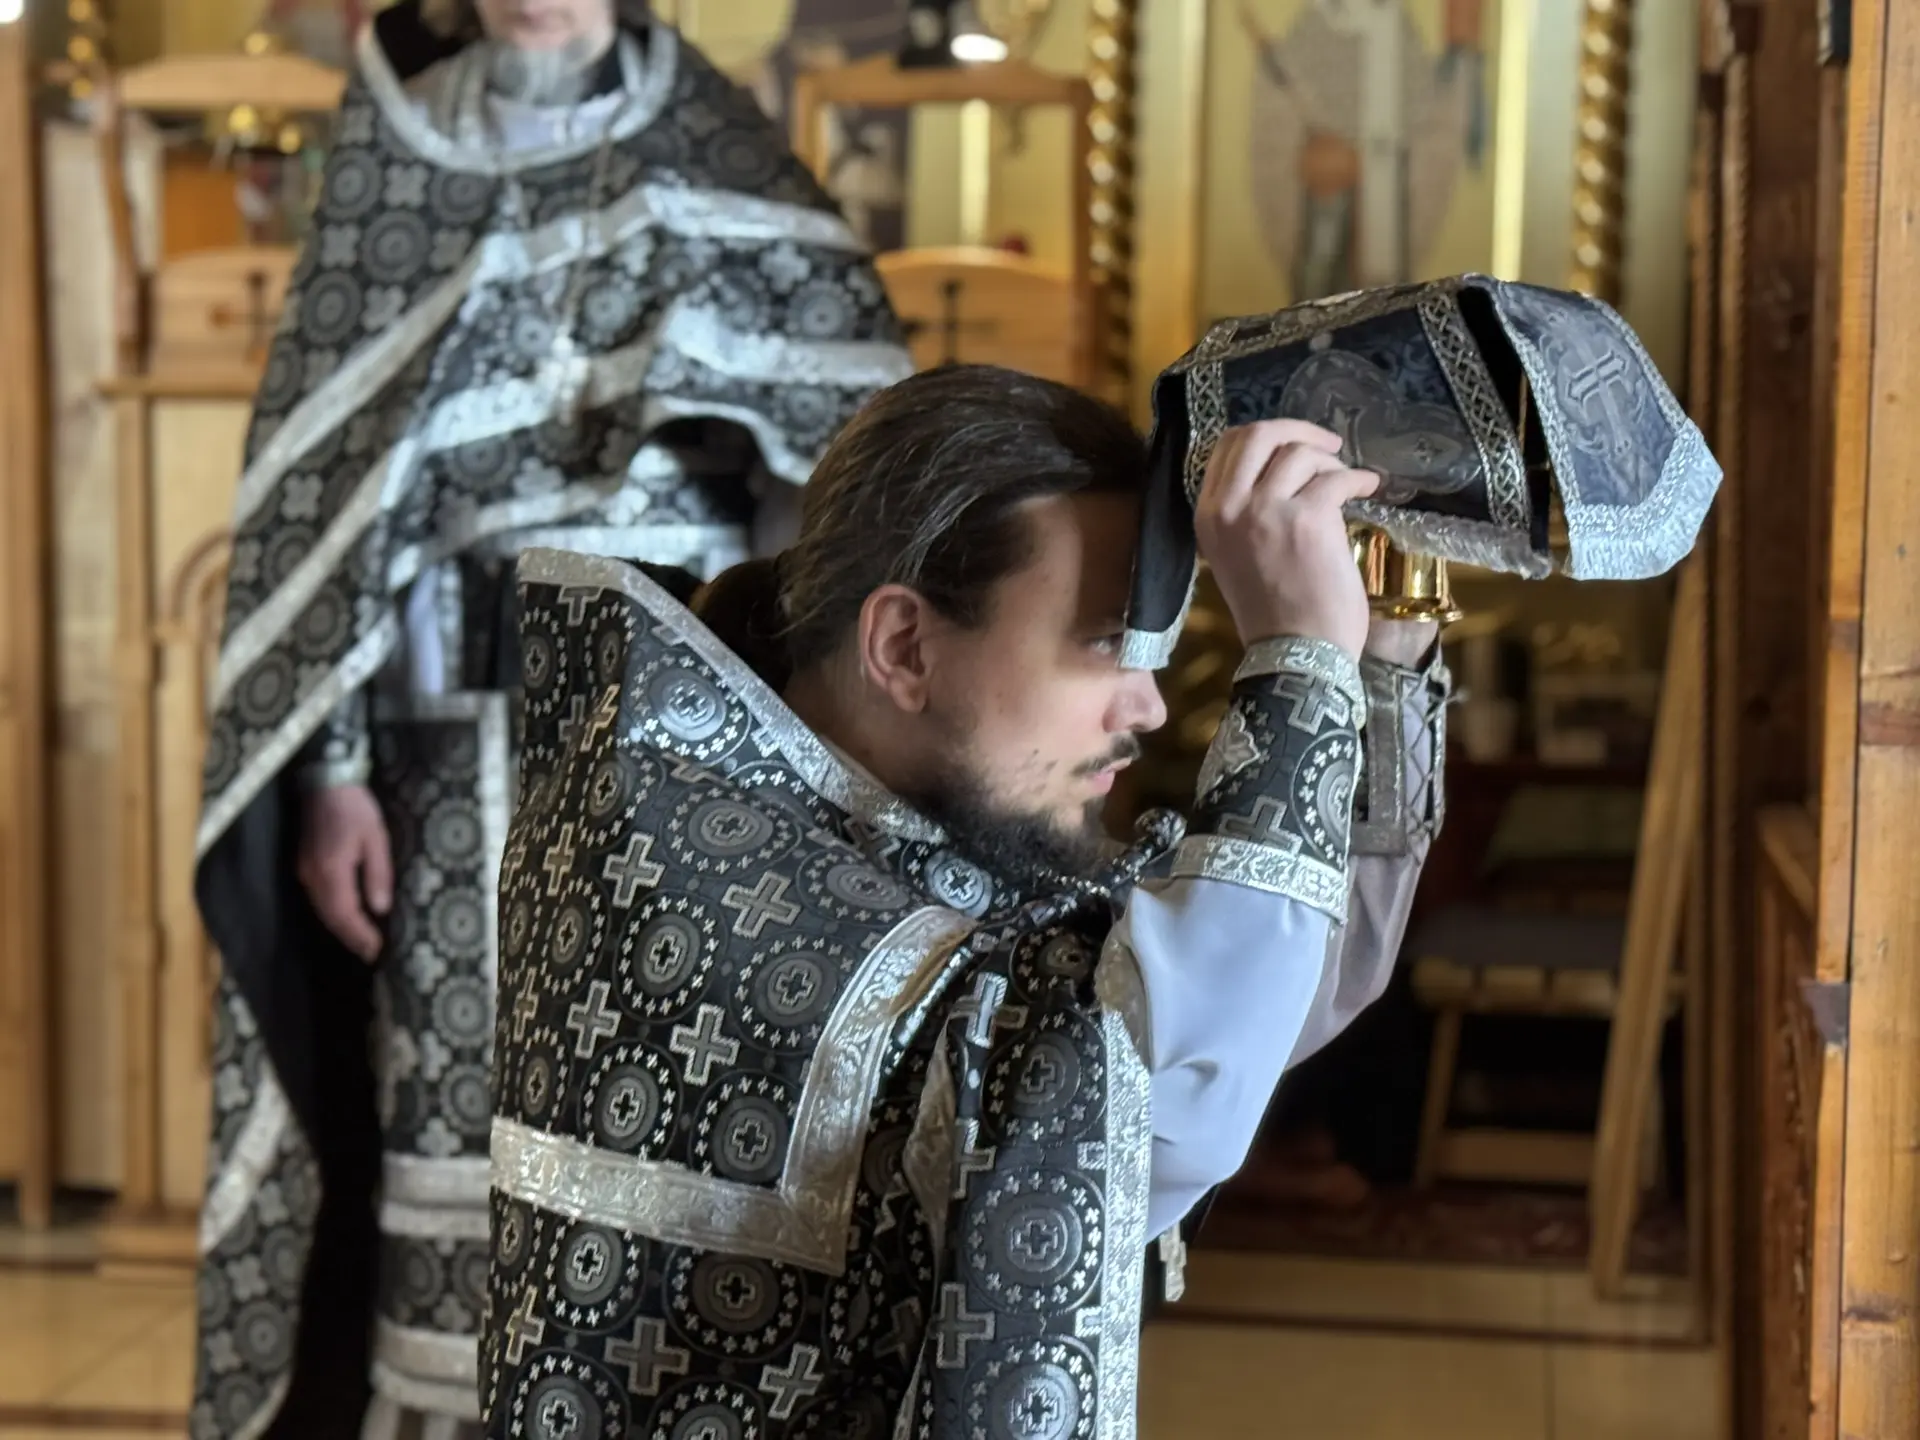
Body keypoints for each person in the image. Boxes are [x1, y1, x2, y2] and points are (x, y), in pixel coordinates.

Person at [187, 1, 911, 1435]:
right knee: (461, 1086)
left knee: (662, 1084)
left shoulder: (722, 152)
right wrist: (332, 774)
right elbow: (331, 529)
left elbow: (850, 471)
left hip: (683, 733)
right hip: (458, 744)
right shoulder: (398, 163)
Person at [481, 364, 1448, 1438]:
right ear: (904, 646)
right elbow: (1161, 1091)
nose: (1147, 707)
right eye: (1107, 644)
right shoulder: (674, 842)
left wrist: (1382, 654)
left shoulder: (883, 811)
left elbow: (1267, 1010)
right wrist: (1300, 666)